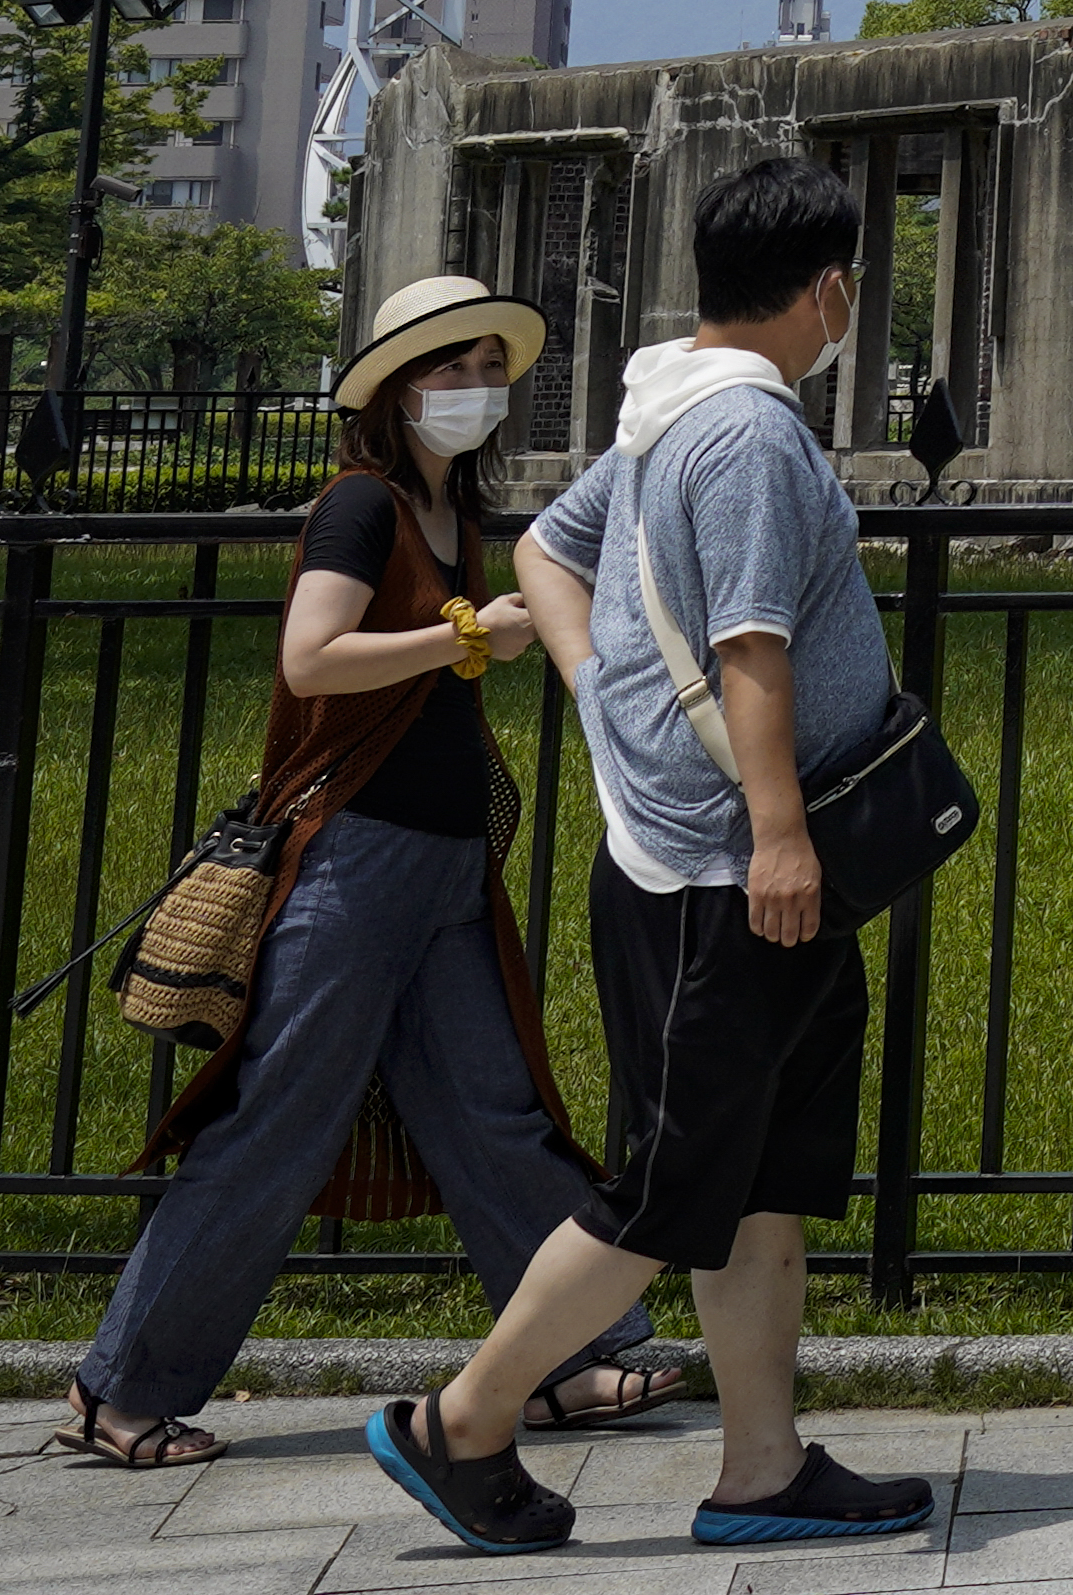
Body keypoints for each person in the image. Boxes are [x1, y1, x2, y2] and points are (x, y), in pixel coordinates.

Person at [358, 156, 932, 1559]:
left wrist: (599, 685)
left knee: (762, 1180)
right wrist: (781, 836)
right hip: (723, 875)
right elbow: (751, 648)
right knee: (669, 1187)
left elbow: (549, 556)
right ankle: (463, 1422)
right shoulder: (740, 432)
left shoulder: (671, 404)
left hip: (720, 859)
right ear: (830, 286)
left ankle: (761, 1466)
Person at [57, 279, 699, 1467]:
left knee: (495, 1113)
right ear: (397, 389)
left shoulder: (453, 510)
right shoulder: (362, 508)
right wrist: (462, 639)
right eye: (448, 368)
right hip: (355, 863)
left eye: (487, 367)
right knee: (281, 1118)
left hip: (444, 867)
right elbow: (313, 658)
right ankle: (121, 1390)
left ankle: (569, 1357)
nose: (473, 387)